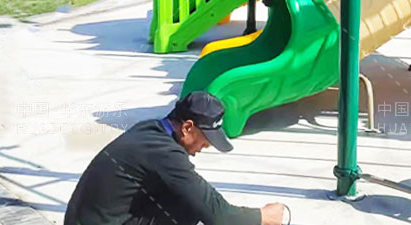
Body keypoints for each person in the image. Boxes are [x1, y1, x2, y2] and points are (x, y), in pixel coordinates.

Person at [65, 92, 289, 225]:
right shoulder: (164, 153)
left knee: (186, 197)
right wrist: (263, 216)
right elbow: (219, 216)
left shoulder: (151, 131)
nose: (205, 146)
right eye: (205, 139)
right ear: (187, 128)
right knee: (190, 206)